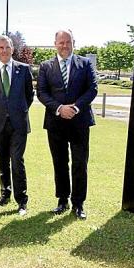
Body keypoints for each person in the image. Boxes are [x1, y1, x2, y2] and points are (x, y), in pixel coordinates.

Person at [36, 29, 98, 220]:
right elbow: (42, 92)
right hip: (56, 122)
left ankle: (78, 204)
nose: (64, 45)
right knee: (60, 163)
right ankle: (62, 200)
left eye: (68, 42)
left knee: (80, 163)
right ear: (55, 43)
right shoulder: (46, 66)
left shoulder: (85, 63)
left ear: (73, 43)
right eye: (61, 42)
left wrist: (76, 108)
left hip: (80, 122)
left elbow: (92, 89)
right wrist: (60, 108)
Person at [0, 35, 34, 216]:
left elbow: (29, 96)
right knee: (2, 161)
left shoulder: (24, 69)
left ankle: (22, 200)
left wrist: (16, 111)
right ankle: (5, 194)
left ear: (13, 49)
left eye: (7, 47)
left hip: (19, 124)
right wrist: (1, 112)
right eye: (1, 47)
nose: (4, 50)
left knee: (17, 161)